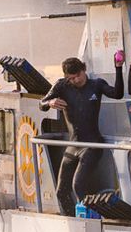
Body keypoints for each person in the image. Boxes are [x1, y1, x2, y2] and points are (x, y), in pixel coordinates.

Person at [38, 54, 126, 215]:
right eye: (71, 78)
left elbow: (117, 94)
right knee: (61, 191)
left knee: (78, 186)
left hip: (92, 144)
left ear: (84, 70)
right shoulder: (62, 86)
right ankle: (74, 218)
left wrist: (118, 68)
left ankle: (89, 219)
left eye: (78, 75)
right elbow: (41, 103)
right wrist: (49, 103)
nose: (76, 80)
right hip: (73, 145)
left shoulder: (96, 85)